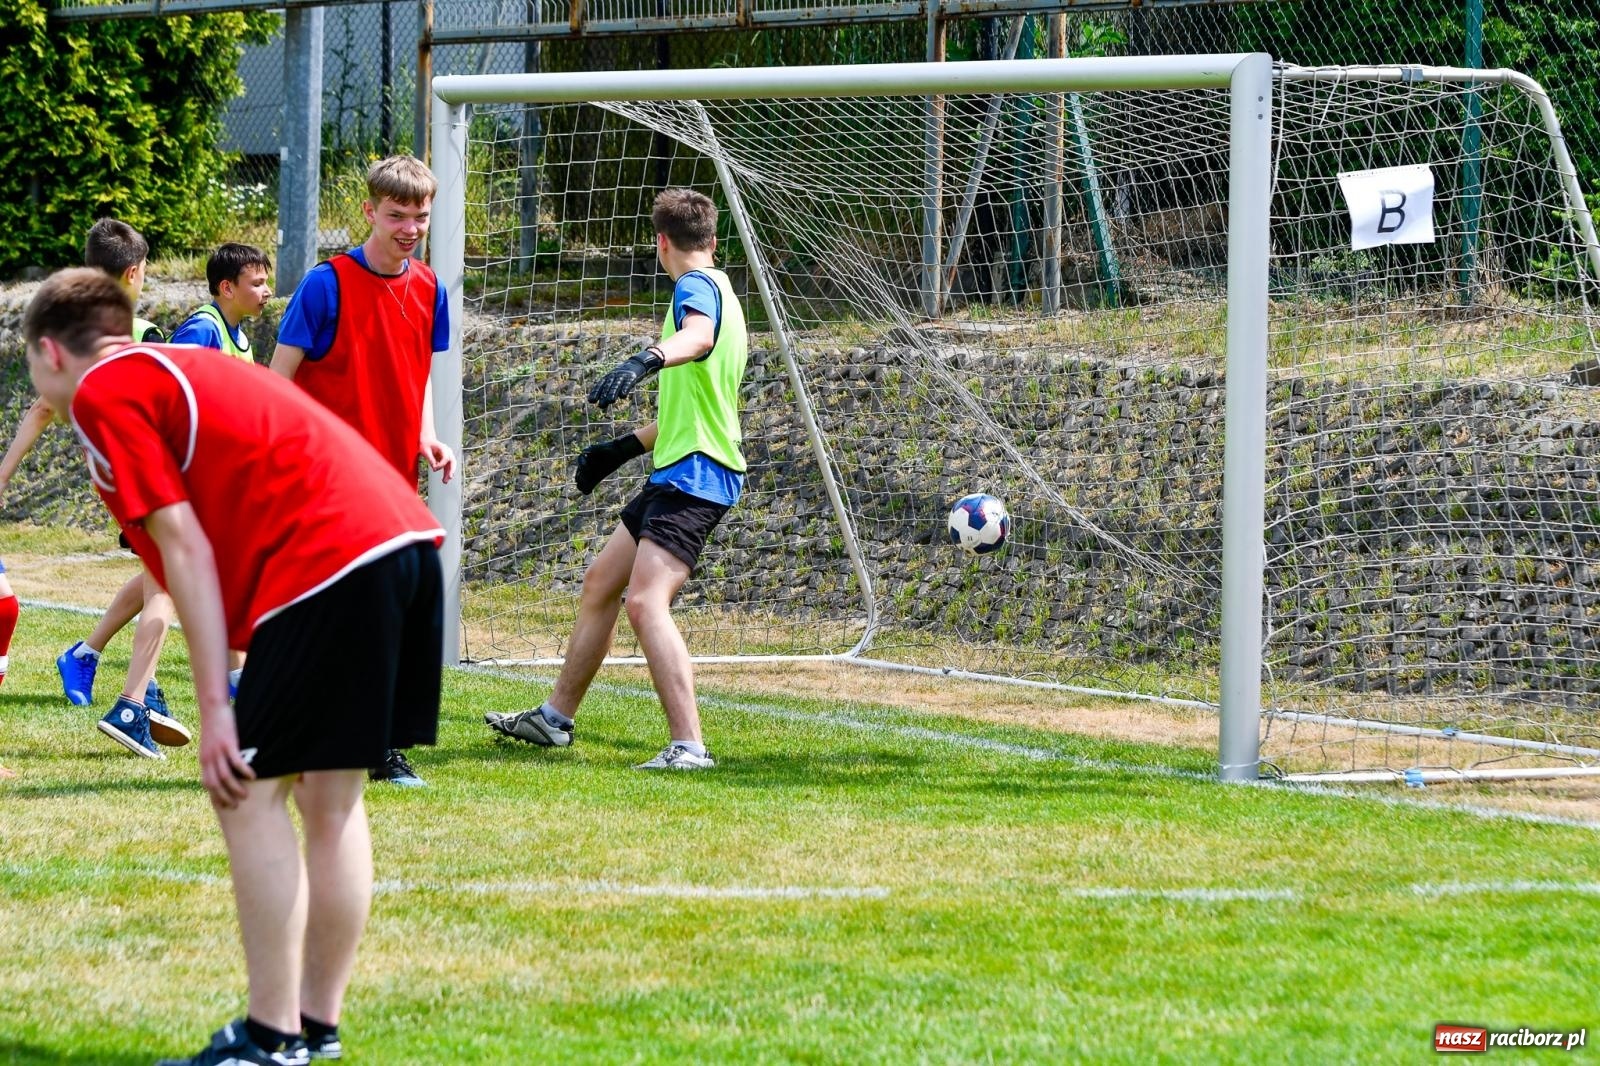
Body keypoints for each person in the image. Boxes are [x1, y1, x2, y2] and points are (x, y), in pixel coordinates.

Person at [24, 267, 445, 1066]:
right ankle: (313, 1031)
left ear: (50, 352)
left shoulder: (110, 392)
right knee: (332, 799)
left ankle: (269, 1036)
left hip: (329, 561)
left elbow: (184, 549)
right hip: (404, 543)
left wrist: (217, 706)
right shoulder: (185, 366)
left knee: (247, 791)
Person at [484, 188, 748, 770]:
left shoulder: (696, 290)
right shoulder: (724, 289)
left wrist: (644, 359)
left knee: (645, 603)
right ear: (712, 237)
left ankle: (689, 746)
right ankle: (554, 720)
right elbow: (690, 408)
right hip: (678, 467)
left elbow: (697, 338)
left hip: (698, 473)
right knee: (601, 583)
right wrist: (618, 450)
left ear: (661, 243)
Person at [270, 154, 455, 789]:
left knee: (384, 613)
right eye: (397, 214)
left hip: (392, 481)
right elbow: (278, 384)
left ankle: (371, 744)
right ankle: (349, 741)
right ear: (369, 211)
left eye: (420, 216)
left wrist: (427, 434)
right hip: (325, 482)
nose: (409, 227)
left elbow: (418, 372)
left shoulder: (431, 288)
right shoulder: (326, 285)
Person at [0, 217, 189, 758]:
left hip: (108, 477)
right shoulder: (141, 334)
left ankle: (128, 683)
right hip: (146, 478)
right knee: (167, 586)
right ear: (134, 272)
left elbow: (42, 407)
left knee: (160, 579)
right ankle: (133, 703)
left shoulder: (65, 332)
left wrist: (6, 472)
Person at [169, 243, 273, 361]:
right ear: (227, 289)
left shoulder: (242, 340)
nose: (268, 292)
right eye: (257, 284)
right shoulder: (203, 330)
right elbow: (173, 377)